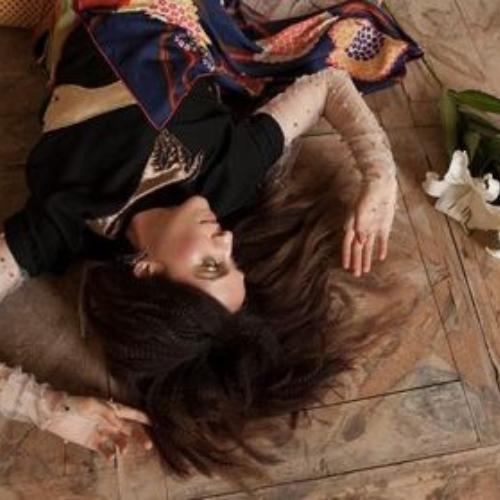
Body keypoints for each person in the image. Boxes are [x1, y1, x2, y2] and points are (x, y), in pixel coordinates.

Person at [0, 0, 421, 476]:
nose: (226, 242)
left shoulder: (62, 225)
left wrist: (48, 410)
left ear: (147, 273)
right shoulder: (227, 179)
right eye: (233, 261)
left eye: (211, 265)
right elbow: (326, 85)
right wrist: (379, 174)